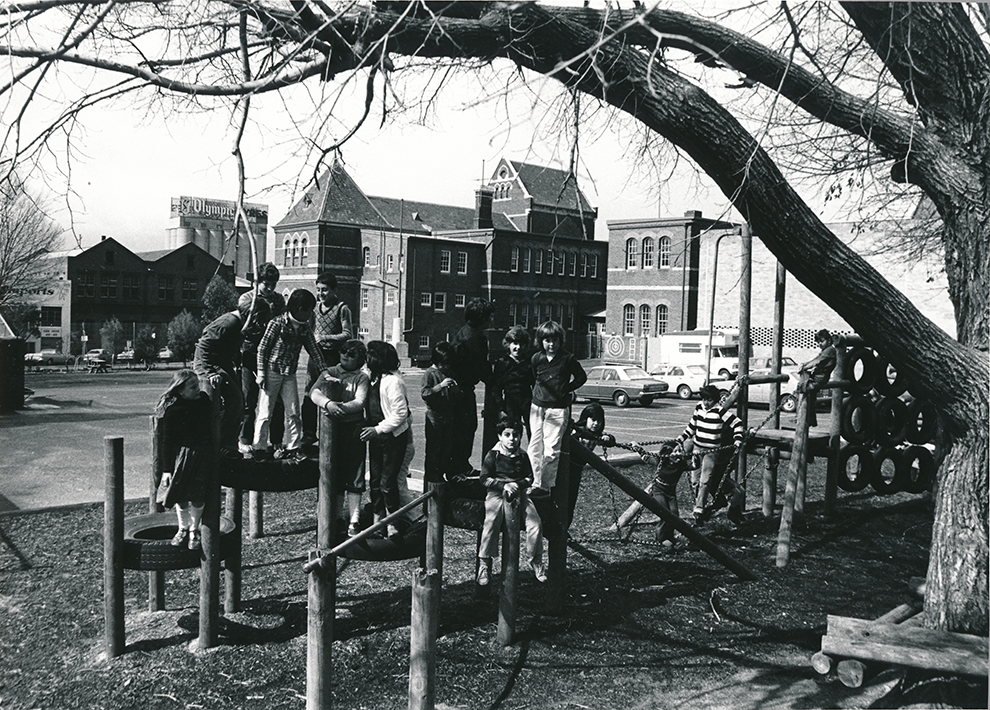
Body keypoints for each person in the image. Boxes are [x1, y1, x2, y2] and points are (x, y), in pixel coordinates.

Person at [250, 288, 329, 462]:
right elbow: (262, 349)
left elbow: (314, 350)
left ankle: (293, 447)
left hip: (289, 374)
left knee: (293, 411)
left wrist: (324, 370)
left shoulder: (305, 327)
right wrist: (261, 373)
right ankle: (259, 448)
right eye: (309, 310)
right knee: (265, 412)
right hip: (272, 372)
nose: (310, 314)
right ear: (300, 309)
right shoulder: (277, 323)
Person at [308, 339, 369, 537]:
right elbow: (313, 392)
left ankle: (354, 519)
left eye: (351, 354)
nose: (345, 355)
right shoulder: (331, 371)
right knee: (334, 473)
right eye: (343, 351)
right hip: (333, 430)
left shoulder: (362, 377)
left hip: (353, 428)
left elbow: (359, 402)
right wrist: (327, 404)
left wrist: (338, 408)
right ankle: (334, 517)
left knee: (354, 473)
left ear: (360, 359)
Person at [478, 417, 545, 585]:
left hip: (519, 493)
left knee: (535, 523)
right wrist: (503, 486)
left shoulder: (522, 455)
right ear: (500, 436)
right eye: (507, 435)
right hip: (496, 494)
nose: (511, 439)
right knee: (491, 522)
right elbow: (484, 478)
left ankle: (535, 559)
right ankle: (484, 564)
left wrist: (517, 484)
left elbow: (530, 478)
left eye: (515, 435)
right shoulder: (493, 455)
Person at [193, 293, 257, 456]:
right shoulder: (228, 323)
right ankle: (219, 444)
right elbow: (204, 345)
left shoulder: (240, 324)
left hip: (222, 364)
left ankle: (227, 443)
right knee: (233, 400)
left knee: (238, 402)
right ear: (248, 314)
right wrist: (209, 371)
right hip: (208, 364)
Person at [528, 320, 587, 494]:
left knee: (551, 448)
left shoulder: (567, 359)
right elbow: (534, 378)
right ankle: (534, 481)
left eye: (554, 340)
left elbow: (580, 377)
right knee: (534, 446)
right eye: (547, 340)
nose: (551, 344)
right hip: (537, 407)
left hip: (558, 409)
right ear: (541, 341)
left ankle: (544, 486)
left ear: (561, 340)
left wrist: (565, 389)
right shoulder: (536, 358)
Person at [156, 370, 212, 551]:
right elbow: (167, 442)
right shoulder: (173, 412)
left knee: (198, 494)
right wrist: (167, 470)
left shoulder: (203, 400)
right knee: (180, 495)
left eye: (198, 385)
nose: (198, 389)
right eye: (193, 387)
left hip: (202, 454)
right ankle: (183, 528)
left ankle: (194, 530)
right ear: (180, 391)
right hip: (183, 457)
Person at [360, 341, 411, 539]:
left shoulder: (393, 381)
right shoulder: (371, 378)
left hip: (392, 438)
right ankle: (377, 520)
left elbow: (401, 414)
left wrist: (378, 429)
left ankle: (392, 523)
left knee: (387, 482)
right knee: (374, 481)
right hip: (377, 437)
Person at [674, 384, 743, 521]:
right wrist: (681, 439)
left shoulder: (719, 411)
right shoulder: (699, 407)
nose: (706, 403)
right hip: (697, 448)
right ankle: (699, 506)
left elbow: (737, 423)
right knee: (695, 480)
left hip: (712, 451)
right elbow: (692, 426)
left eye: (709, 400)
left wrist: (738, 439)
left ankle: (699, 507)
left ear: (715, 400)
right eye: (704, 399)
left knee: (705, 479)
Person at [302, 271, 353, 449]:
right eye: (318, 290)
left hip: (333, 358)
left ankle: (332, 433)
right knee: (309, 394)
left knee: (331, 394)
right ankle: (309, 434)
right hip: (315, 357)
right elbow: (309, 329)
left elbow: (348, 334)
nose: (321, 294)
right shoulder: (314, 308)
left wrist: (325, 337)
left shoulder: (342, 308)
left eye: (324, 290)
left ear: (334, 290)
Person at [239, 263, 286, 454]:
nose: (270, 288)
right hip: (250, 355)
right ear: (257, 281)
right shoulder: (246, 299)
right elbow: (244, 325)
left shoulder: (279, 300)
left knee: (276, 402)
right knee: (249, 400)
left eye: (273, 284)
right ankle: (245, 440)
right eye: (266, 284)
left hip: (272, 357)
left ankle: (276, 441)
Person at [450, 297, 494, 477]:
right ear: (481, 318)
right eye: (489, 316)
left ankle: (459, 466)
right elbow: (482, 367)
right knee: (466, 428)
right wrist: (495, 379)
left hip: (458, 388)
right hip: (462, 390)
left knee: (463, 428)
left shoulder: (465, 333)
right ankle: (459, 468)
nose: (491, 319)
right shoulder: (474, 338)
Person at [566, 402, 615, 526]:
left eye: (599, 421)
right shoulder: (577, 431)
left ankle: (565, 527)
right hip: (565, 468)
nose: (596, 424)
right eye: (593, 420)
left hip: (577, 470)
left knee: (571, 500)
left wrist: (608, 438)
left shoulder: (596, 435)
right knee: (562, 497)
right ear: (585, 418)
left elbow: (611, 441)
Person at [420, 341, 461, 484]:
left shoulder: (449, 372)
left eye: (448, 364)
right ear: (436, 361)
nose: (446, 367)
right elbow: (425, 393)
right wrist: (440, 386)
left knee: (446, 449)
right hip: (434, 416)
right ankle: (431, 480)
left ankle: (440, 477)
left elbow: (456, 395)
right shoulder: (429, 374)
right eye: (443, 364)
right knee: (433, 451)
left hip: (448, 416)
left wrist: (455, 390)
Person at [639, 442, 690, 550]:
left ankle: (670, 536)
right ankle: (661, 537)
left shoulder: (681, 464)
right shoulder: (660, 461)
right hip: (659, 491)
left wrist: (698, 456)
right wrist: (637, 447)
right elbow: (646, 458)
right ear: (667, 454)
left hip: (671, 493)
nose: (678, 454)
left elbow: (694, 466)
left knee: (674, 514)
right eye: (675, 451)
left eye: (680, 451)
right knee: (665, 513)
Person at [489, 326, 535, 442]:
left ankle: (532, 458)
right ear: (508, 344)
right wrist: (501, 408)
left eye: (521, 344)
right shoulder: (502, 363)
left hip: (527, 401)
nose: (518, 347)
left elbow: (535, 383)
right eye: (514, 343)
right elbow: (496, 388)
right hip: (510, 402)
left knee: (533, 431)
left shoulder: (529, 362)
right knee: (512, 431)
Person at [798, 329, 837, 428]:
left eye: (822, 341)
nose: (820, 344)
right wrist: (804, 364)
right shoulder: (824, 350)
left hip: (820, 378)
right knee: (811, 400)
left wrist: (805, 367)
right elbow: (815, 359)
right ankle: (810, 419)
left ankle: (805, 417)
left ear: (828, 341)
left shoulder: (830, 350)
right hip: (817, 377)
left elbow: (817, 361)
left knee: (806, 391)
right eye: (818, 342)